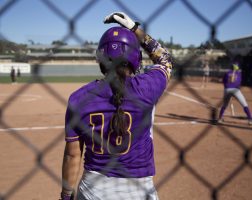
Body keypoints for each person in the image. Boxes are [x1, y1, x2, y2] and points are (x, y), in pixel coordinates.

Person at [60, 12, 173, 200]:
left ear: (100, 59)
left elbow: (72, 156)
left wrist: (65, 196)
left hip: (93, 192)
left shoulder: (79, 98)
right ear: (136, 58)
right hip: (139, 191)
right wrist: (135, 30)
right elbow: (165, 60)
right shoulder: (147, 88)